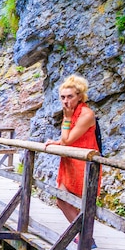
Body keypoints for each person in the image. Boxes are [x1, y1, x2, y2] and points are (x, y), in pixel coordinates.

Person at [44, 74, 101, 224]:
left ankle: (84, 237)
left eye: (70, 97)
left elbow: (68, 139)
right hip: (70, 162)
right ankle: (82, 236)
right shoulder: (72, 111)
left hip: (83, 164)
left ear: (80, 97)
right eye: (62, 97)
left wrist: (67, 118)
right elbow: (68, 139)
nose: (65, 101)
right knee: (61, 200)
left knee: (76, 202)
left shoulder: (86, 114)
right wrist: (57, 142)